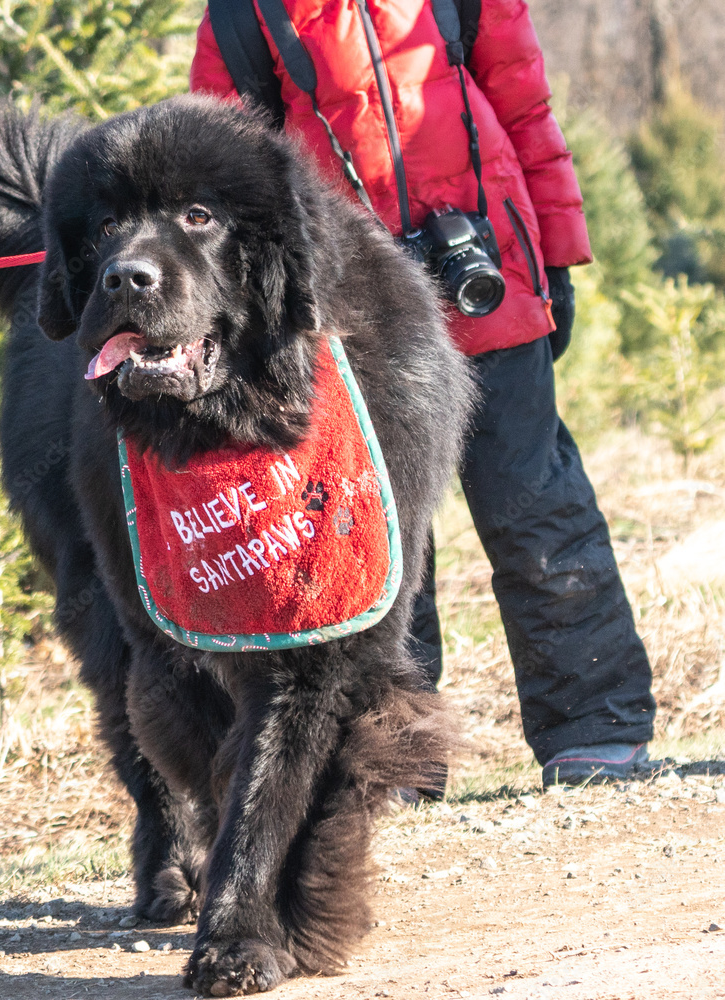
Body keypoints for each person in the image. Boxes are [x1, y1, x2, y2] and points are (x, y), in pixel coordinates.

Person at [190, 0, 659, 789]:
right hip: (352, 310)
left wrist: (559, 256)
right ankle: (398, 757)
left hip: (490, 272)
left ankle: (595, 729)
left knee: (535, 504)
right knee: (374, 540)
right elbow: (224, 172)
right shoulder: (245, 14)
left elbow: (526, 113)